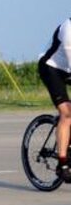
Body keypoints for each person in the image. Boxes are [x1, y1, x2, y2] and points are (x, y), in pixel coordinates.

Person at [38, 17, 71, 182]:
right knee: (67, 113)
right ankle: (63, 163)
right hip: (51, 68)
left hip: (67, 70)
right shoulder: (68, 31)